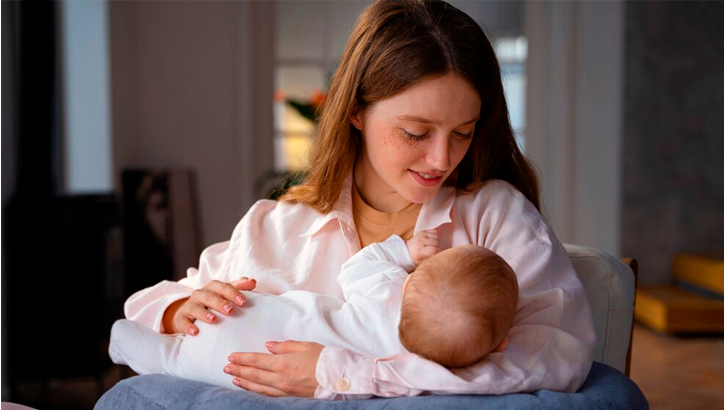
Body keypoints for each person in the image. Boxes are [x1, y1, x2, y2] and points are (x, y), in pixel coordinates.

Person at [124, 0, 596, 399]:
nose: (440, 158)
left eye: (463, 133)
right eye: (415, 132)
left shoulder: (496, 217)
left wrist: (347, 375)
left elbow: (555, 355)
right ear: (354, 111)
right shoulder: (277, 226)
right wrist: (175, 312)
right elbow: (151, 306)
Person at [110, 231, 518, 391]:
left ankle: (130, 343)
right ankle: (153, 349)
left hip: (247, 316)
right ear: (500, 343)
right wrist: (176, 308)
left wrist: (403, 252)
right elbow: (148, 301)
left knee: (166, 354)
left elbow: (358, 267)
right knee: (172, 357)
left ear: (412, 280)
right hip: (229, 363)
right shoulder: (423, 371)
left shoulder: (387, 289)